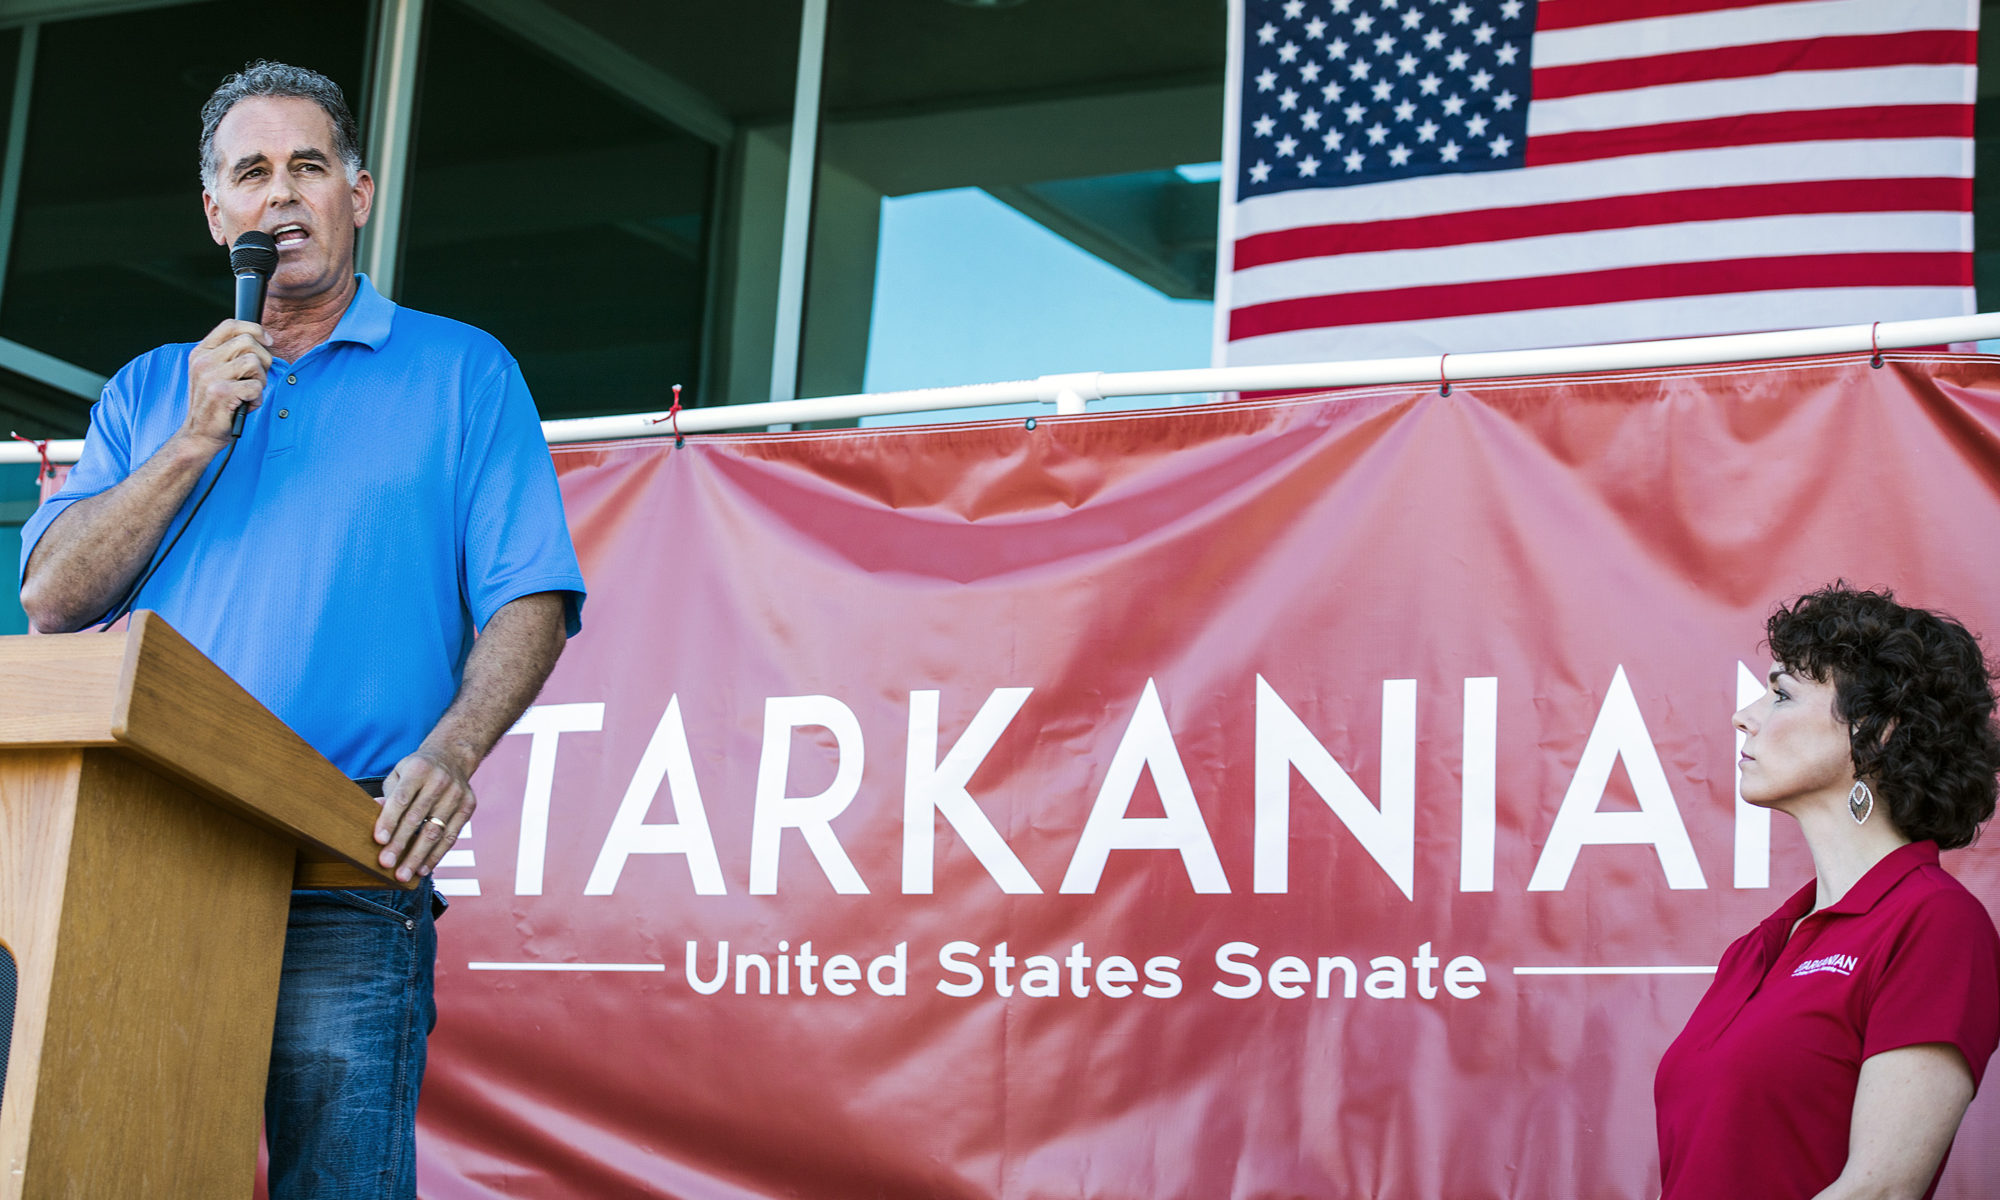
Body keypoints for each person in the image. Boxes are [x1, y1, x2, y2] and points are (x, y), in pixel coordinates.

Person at [14, 61, 584, 1199]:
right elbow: (52, 600)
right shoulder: (149, 391)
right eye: (252, 173)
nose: (282, 196)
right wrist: (189, 439)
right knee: (126, 1168)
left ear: (357, 196)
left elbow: (530, 595)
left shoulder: (463, 371)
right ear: (217, 214)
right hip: (148, 857)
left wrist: (454, 749)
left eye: (308, 167)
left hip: (347, 859)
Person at [1655, 584, 2000, 1200]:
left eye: (1781, 694)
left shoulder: (1935, 922)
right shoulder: (1755, 949)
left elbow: (1881, 1190)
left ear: (1877, 731)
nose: (1745, 715)